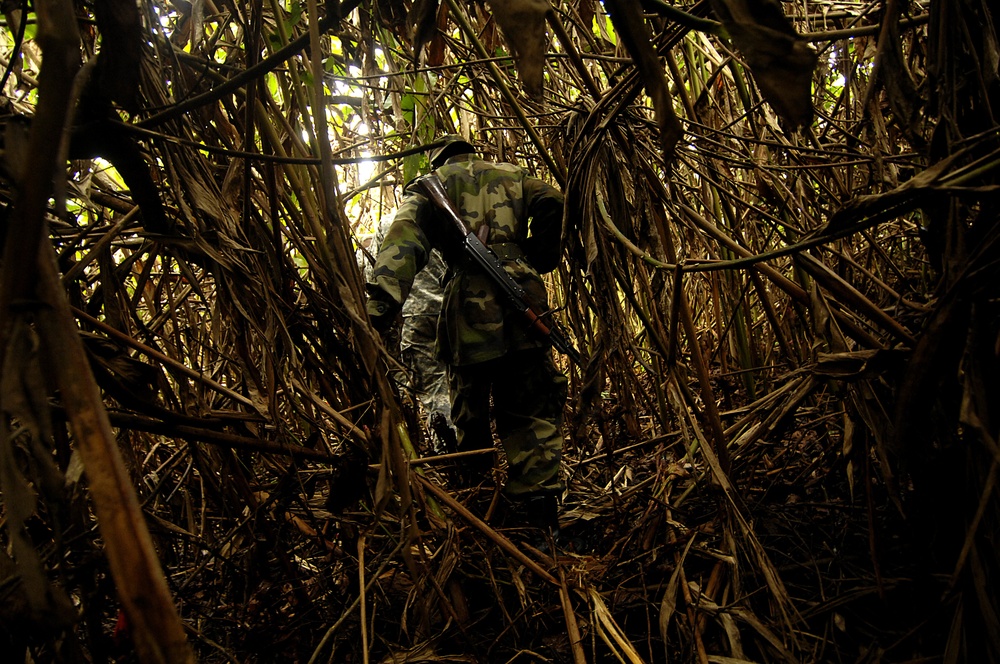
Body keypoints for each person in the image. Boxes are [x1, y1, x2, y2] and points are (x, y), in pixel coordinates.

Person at [366, 134, 568, 529]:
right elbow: (555, 202)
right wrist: (534, 256)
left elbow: (402, 242)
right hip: (525, 306)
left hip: (467, 314)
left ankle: (481, 513)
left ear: (436, 158)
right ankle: (542, 523)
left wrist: (379, 307)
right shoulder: (513, 174)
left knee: (469, 414)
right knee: (530, 413)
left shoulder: (434, 185)